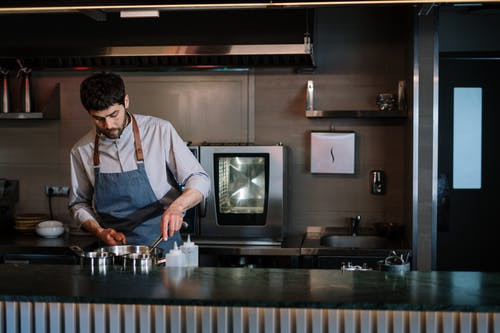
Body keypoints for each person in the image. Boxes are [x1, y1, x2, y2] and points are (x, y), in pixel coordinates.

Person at [68, 72, 210, 251]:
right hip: (113, 252)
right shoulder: (81, 150)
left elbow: (200, 179)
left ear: (126, 102)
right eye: (99, 119)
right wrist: (99, 231)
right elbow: (78, 203)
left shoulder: (159, 131)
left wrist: (177, 207)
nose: (109, 125)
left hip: (163, 244)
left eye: (114, 114)